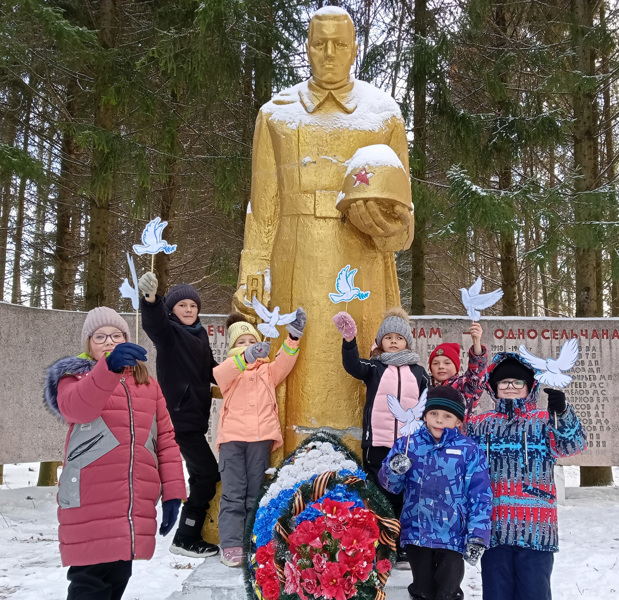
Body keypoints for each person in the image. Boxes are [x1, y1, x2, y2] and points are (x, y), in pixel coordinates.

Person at [233, 6, 415, 454]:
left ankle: (367, 467)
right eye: (319, 43)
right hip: (293, 253)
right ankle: (286, 469)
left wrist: (387, 227)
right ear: (307, 47)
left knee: (359, 358)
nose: (329, 54)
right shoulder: (276, 114)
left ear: (355, 49)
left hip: (360, 259)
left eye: (339, 44)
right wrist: (252, 268)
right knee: (297, 357)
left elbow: (403, 218)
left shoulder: (383, 114)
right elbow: (263, 202)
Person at [43, 307, 186, 600]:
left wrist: (173, 491)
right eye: (100, 336)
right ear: (88, 344)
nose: (109, 341)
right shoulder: (73, 378)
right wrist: (107, 370)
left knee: (118, 577)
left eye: (116, 335)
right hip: (90, 500)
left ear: (126, 338)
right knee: (89, 583)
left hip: (132, 503)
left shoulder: (148, 384)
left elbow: (166, 440)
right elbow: (78, 408)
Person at [466, 353, 588, 600]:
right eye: (504, 382)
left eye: (517, 382)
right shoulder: (479, 425)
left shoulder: (544, 422)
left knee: (534, 594)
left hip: (536, 530)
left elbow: (573, 445)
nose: (510, 387)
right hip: (494, 529)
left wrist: (563, 414)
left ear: (529, 386)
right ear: (494, 386)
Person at [333, 307, 430, 568]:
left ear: (407, 341)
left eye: (399, 337)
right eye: (389, 337)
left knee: (404, 494)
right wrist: (350, 341)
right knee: (378, 494)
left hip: (407, 445)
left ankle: (401, 546)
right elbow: (352, 366)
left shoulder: (419, 372)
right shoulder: (374, 367)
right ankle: (378, 544)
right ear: (381, 342)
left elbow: (427, 405)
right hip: (377, 443)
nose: (394, 341)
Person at [379, 386, 493, 600]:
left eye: (447, 416)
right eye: (433, 414)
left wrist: (478, 534)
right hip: (417, 534)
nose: (439, 420)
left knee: (447, 592)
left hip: (452, 536)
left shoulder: (468, 449)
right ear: (424, 415)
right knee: (422, 591)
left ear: (458, 421)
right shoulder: (408, 444)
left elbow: (480, 494)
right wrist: (394, 469)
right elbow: (390, 486)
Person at [214, 308, 306, 567]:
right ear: (234, 347)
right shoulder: (229, 369)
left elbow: (285, 362)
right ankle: (231, 544)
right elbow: (220, 375)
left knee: (255, 493)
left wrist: (293, 337)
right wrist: (245, 357)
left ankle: (252, 541)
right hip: (232, 440)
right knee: (233, 492)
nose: (249, 346)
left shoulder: (267, 371)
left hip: (260, 439)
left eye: (252, 341)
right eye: (241, 343)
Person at [138, 273, 220, 558]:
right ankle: (186, 537)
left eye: (192, 305)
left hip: (195, 420)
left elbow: (213, 370)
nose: (187, 309)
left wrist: (244, 373)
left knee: (202, 475)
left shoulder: (199, 336)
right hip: (178, 420)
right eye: (182, 305)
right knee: (208, 474)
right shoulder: (170, 333)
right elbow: (154, 323)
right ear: (172, 309)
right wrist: (150, 301)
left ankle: (187, 535)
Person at [429, 322, 487, 420]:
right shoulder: (423, 385)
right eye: (435, 363)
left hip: (458, 434)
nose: (441, 366)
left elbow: (477, 373)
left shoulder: (464, 386)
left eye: (447, 363)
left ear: (456, 368)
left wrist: (476, 342)